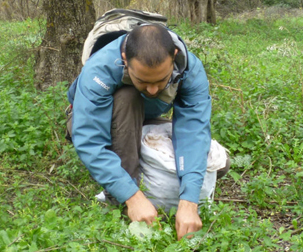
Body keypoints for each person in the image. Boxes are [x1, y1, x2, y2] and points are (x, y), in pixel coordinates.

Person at [66, 23, 224, 240]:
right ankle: (121, 198)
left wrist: (189, 201)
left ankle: (143, 184)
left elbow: (194, 130)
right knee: (128, 97)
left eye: (161, 80)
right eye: (142, 80)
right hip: (97, 118)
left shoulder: (189, 68)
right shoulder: (100, 69)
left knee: (219, 165)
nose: (152, 90)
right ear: (124, 57)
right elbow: (89, 140)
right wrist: (133, 197)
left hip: (143, 119)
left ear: (174, 56)